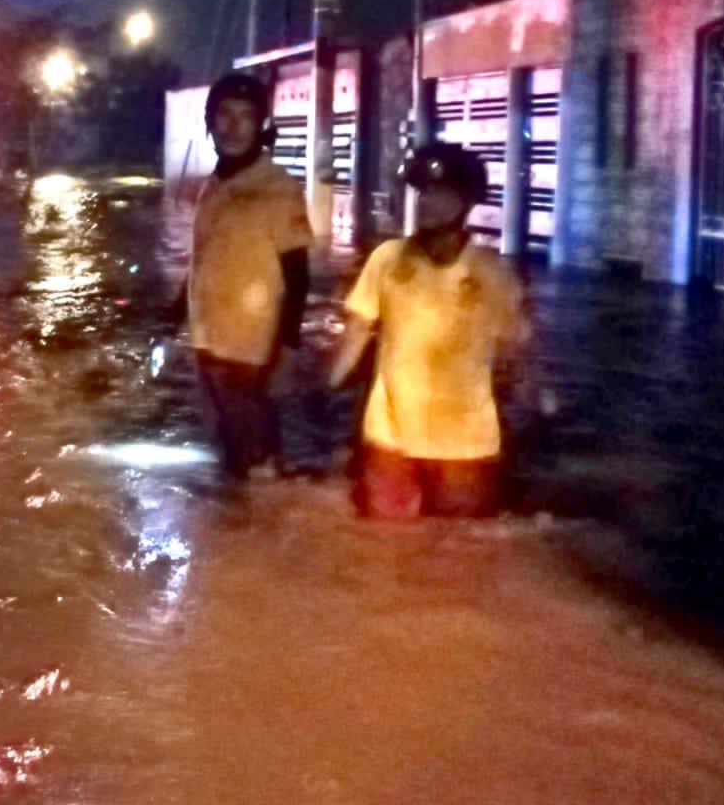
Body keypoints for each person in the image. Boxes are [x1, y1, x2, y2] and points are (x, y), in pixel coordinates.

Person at [327, 142, 530, 520]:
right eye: (423, 193)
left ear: (467, 202)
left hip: (466, 449)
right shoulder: (386, 259)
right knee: (381, 555)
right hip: (390, 442)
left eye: (442, 194)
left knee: (458, 559)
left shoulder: (494, 275)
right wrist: (324, 395)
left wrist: (535, 408)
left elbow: (517, 357)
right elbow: (354, 336)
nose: (428, 202)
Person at [170, 71, 313, 480]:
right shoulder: (213, 185)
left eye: (245, 116)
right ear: (211, 123)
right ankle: (233, 533)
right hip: (209, 347)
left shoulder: (277, 188)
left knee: (257, 466)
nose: (233, 127)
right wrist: (174, 315)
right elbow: (206, 261)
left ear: (261, 124)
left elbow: (298, 277)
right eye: (224, 116)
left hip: (252, 356)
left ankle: (266, 531)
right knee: (228, 461)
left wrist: (287, 352)